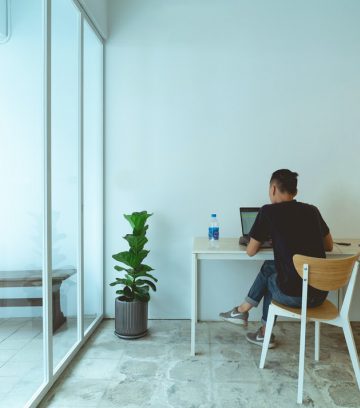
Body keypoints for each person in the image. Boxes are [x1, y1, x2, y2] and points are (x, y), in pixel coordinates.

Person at [219, 169, 333, 348]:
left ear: (273, 189)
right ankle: (245, 315)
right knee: (271, 265)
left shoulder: (268, 212)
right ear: (295, 192)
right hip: (320, 295)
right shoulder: (312, 211)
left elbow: (250, 251)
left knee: (271, 275)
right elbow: (329, 246)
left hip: (295, 297)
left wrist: (270, 240)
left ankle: (250, 319)